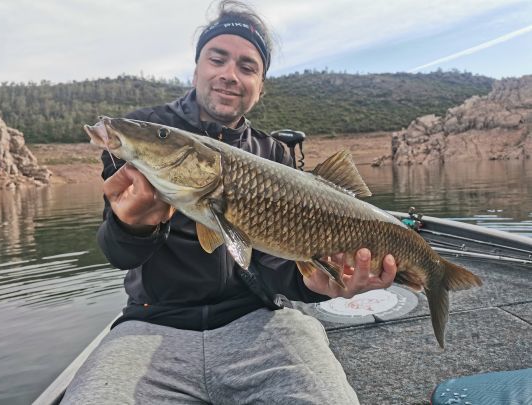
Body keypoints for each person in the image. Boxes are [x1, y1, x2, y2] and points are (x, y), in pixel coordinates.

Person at [62, 1, 397, 404]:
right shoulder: (145, 134)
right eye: (217, 58)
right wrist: (133, 226)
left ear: (260, 86)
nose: (229, 75)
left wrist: (313, 284)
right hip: (154, 322)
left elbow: (276, 268)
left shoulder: (273, 154)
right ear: (197, 67)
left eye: (247, 66)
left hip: (259, 321)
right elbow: (117, 253)